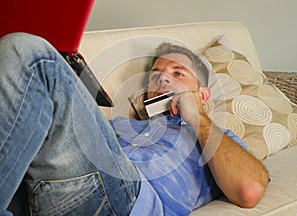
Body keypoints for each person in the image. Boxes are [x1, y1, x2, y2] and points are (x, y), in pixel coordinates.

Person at [0, 33, 269, 216]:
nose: (163, 80)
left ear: (203, 93)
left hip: (133, 200)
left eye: (178, 73)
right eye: (156, 75)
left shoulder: (216, 138)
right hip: (48, 185)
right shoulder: (120, 125)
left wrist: (197, 117)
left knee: (30, 52)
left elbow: (250, 190)